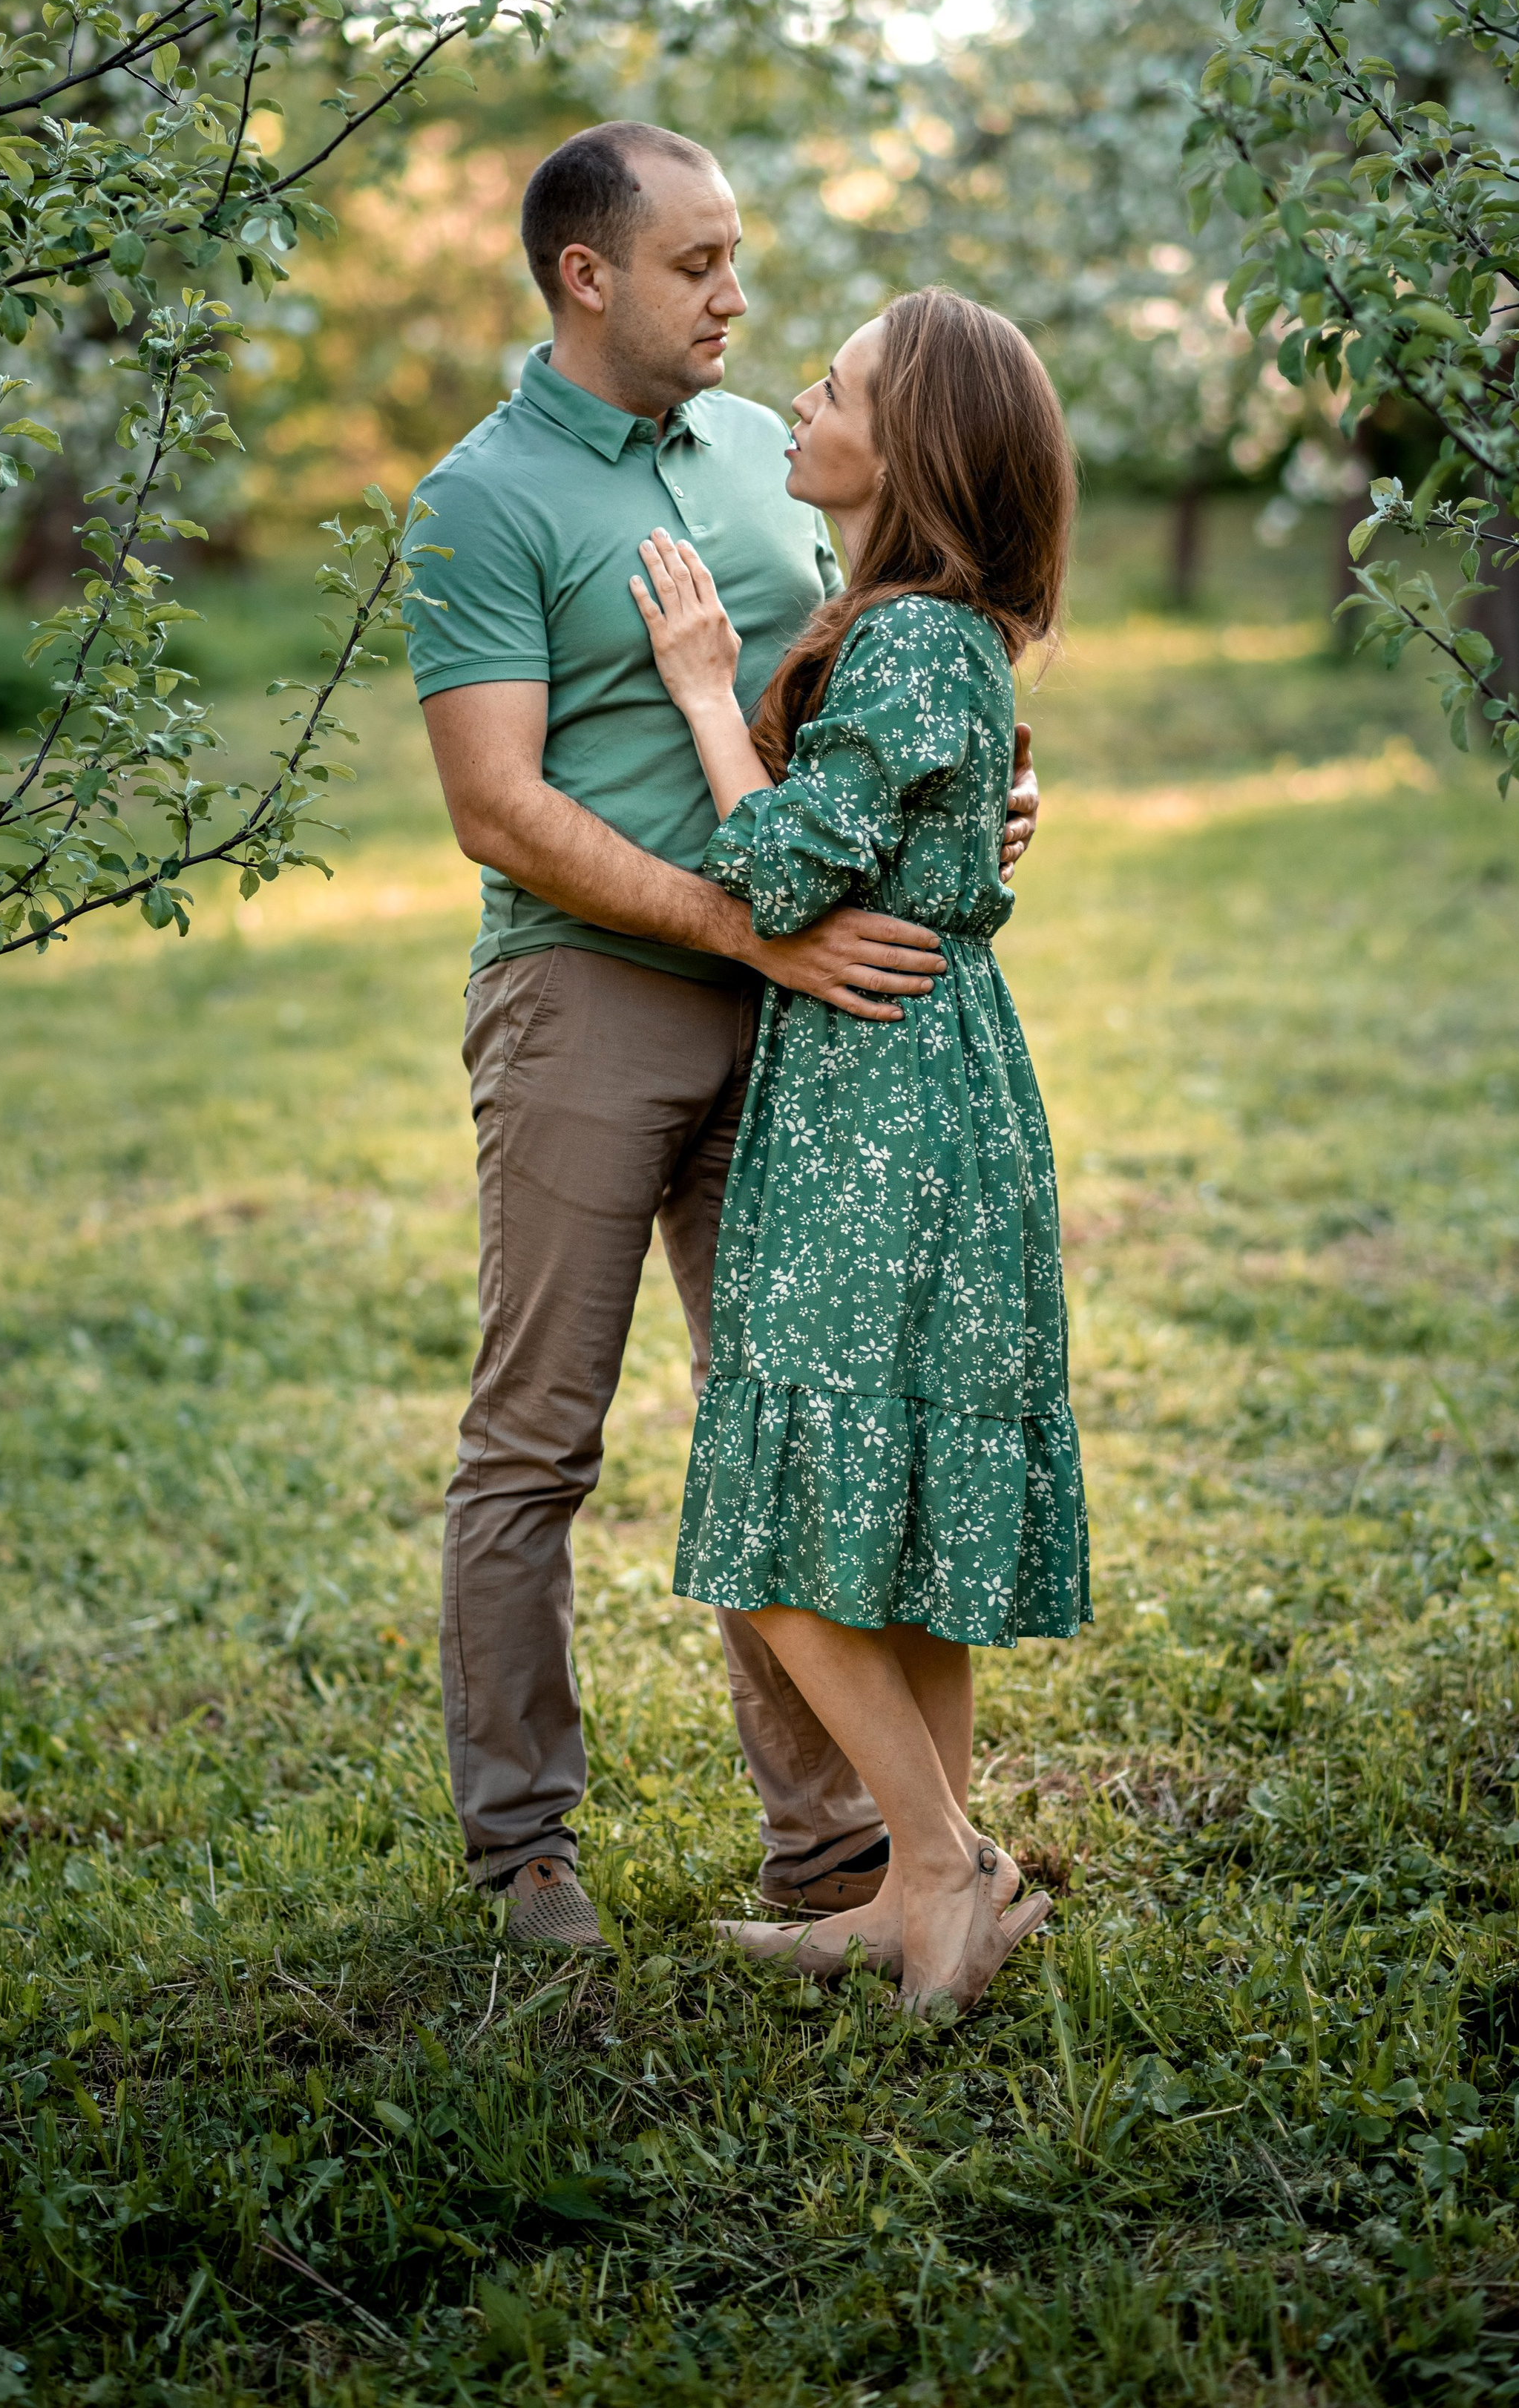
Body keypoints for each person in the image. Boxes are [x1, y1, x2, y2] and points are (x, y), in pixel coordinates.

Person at [404, 124, 1042, 1951]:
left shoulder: (774, 454)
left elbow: (882, 663)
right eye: (695, 265)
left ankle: (842, 1854)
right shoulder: (483, 498)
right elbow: (494, 807)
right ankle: (526, 1849)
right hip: (586, 1005)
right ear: (586, 276)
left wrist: (976, 797)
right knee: (538, 1435)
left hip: (820, 1033)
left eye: (738, 256)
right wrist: (745, 931)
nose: (735, 300)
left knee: (796, 1416)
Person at [629, 286, 1088, 2014]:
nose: (795, 400)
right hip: (928, 1081)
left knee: (785, 1528)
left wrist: (696, 691)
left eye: (832, 389)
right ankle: (916, 1892)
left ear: (907, 451)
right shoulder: (914, 628)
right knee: (902, 1497)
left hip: (878, 1103)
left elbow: (780, 868)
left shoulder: (905, 639)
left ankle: (952, 1863)